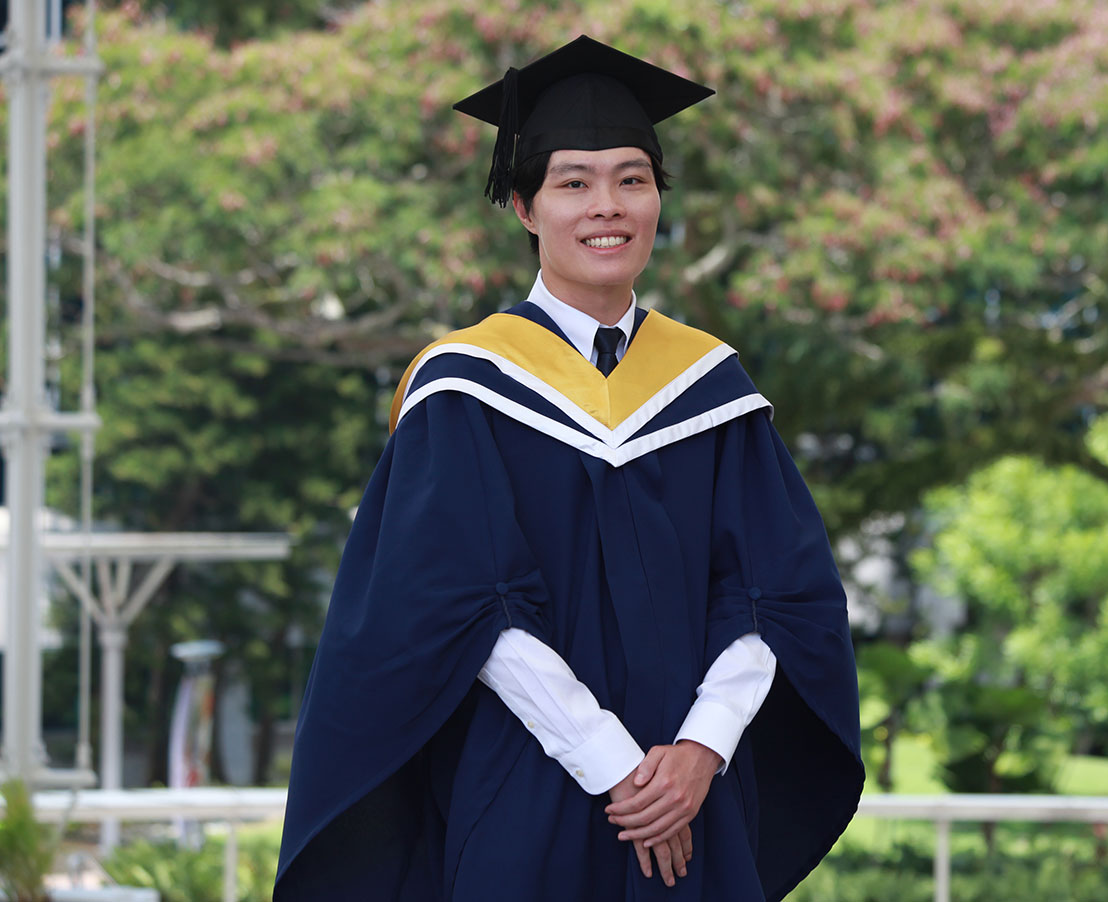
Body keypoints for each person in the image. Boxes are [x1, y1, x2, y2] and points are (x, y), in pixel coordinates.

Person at [274, 35, 862, 902]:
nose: (607, 207)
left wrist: (701, 752)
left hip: (693, 803)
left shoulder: (714, 389)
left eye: (633, 179)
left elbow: (775, 594)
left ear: (660, 196)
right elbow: (464, 605)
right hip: (532, 785)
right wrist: (612, 763)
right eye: (573, 183)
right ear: (523, 205)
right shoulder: (467, 387)